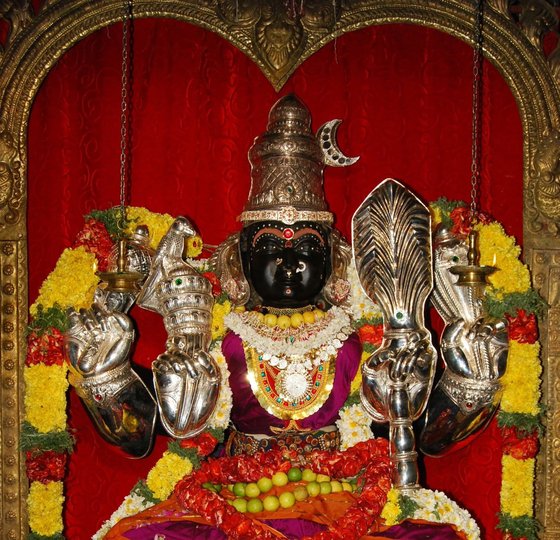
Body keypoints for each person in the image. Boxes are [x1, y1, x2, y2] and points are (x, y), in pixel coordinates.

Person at [67, 95, 506, 539]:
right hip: (235, 497)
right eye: (272, 247)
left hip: (346, 492)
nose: (292, 262)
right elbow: (142, 436)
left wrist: (469, 384)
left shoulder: (359, 335)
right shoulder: (222, 334)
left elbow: (422, 435)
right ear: (242, 257)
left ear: (332, 256)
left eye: (309, 247)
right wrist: (108, 377)